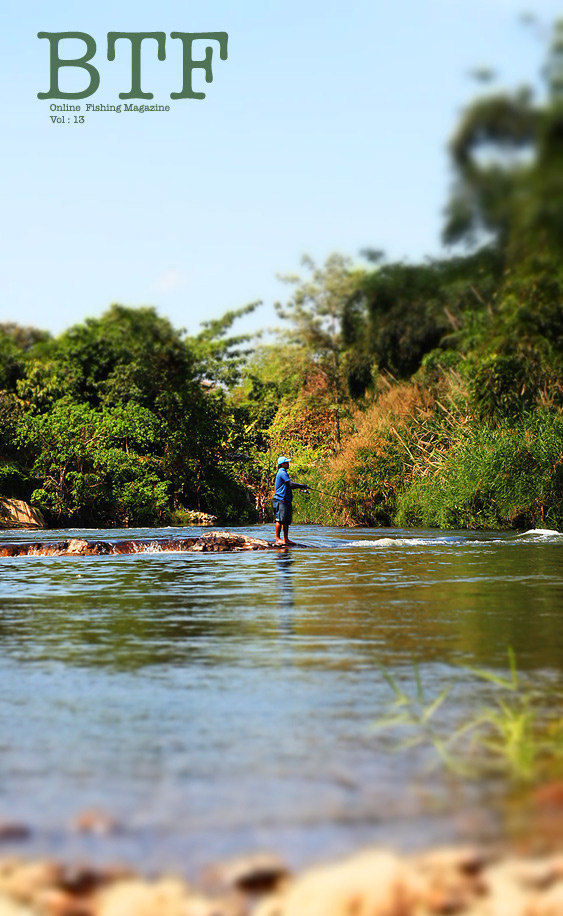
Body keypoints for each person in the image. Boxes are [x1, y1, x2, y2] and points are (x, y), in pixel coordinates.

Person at [272, 456, 309, 546]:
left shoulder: (284, 472)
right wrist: (302, 485)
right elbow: (291, 484)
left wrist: (301, 487)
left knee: (286, 521)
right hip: (280, 500)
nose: (288, 464)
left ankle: (286, 539)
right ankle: (277, 539)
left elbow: (288, 486)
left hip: (286, 500)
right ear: (282, 464)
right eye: (286, 463)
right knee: (279, 520)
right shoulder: (282, 472)